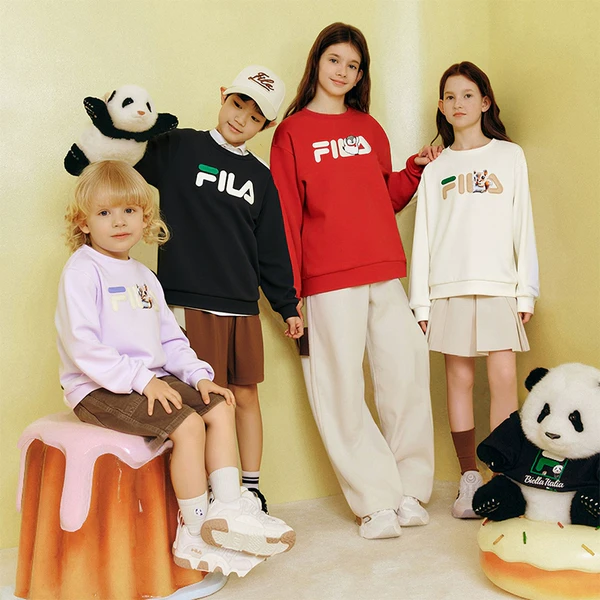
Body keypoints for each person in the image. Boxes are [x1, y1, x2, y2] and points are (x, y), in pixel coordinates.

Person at [55, 160, 295, 578]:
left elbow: (171, 341)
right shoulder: (82, 270)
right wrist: (142, 379)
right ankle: (195, 531)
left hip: (148, 380)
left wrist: (199, 376)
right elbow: (83, 347)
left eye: (129, 211)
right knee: (187, 425)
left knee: (219, 406)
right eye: (105, 212)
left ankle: (228, 513)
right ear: (83, 222)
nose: (119, 222)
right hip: (97, 388)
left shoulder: (144, 276)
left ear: (145, 217)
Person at [270, 22, 438, 540]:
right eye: (335, 60)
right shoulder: (291, 132)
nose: (343, 72)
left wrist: (413, 170)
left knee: (405, 376)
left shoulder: (369, 128)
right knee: (339, 388)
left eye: (353, 65)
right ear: (316, 62)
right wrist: (290, 296)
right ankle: (375, 501)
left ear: (361, 74)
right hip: (326, 278)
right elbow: (285, 216)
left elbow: (383, 196)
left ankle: (409, 490)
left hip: (383, 268)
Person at [135, 66, 303, 513]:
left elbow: (271, 248)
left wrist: (286, 305)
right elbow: (127, 154)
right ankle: (206, 495)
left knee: (245, 396)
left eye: (254, 116)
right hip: (188, 301)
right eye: (237, 104)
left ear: (266, 125)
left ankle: (250, 489)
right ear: (224, 95)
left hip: (242, 306)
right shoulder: (180, 146)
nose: (241, 118)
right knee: (203, 399)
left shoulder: (262, 177)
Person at [408, 61, 539, 519]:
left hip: (499, 283)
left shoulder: (510, 156)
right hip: (448, 287)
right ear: (441, 106)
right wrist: (420, 302)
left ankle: (503, 477)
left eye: (467, 95)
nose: (458, 103)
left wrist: (526, 290)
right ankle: (469, 478)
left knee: (503, 379)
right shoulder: (435, 167)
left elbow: (523, 223)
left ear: (484, 102)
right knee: (459, 381)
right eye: (450, 96)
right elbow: (423, 235)